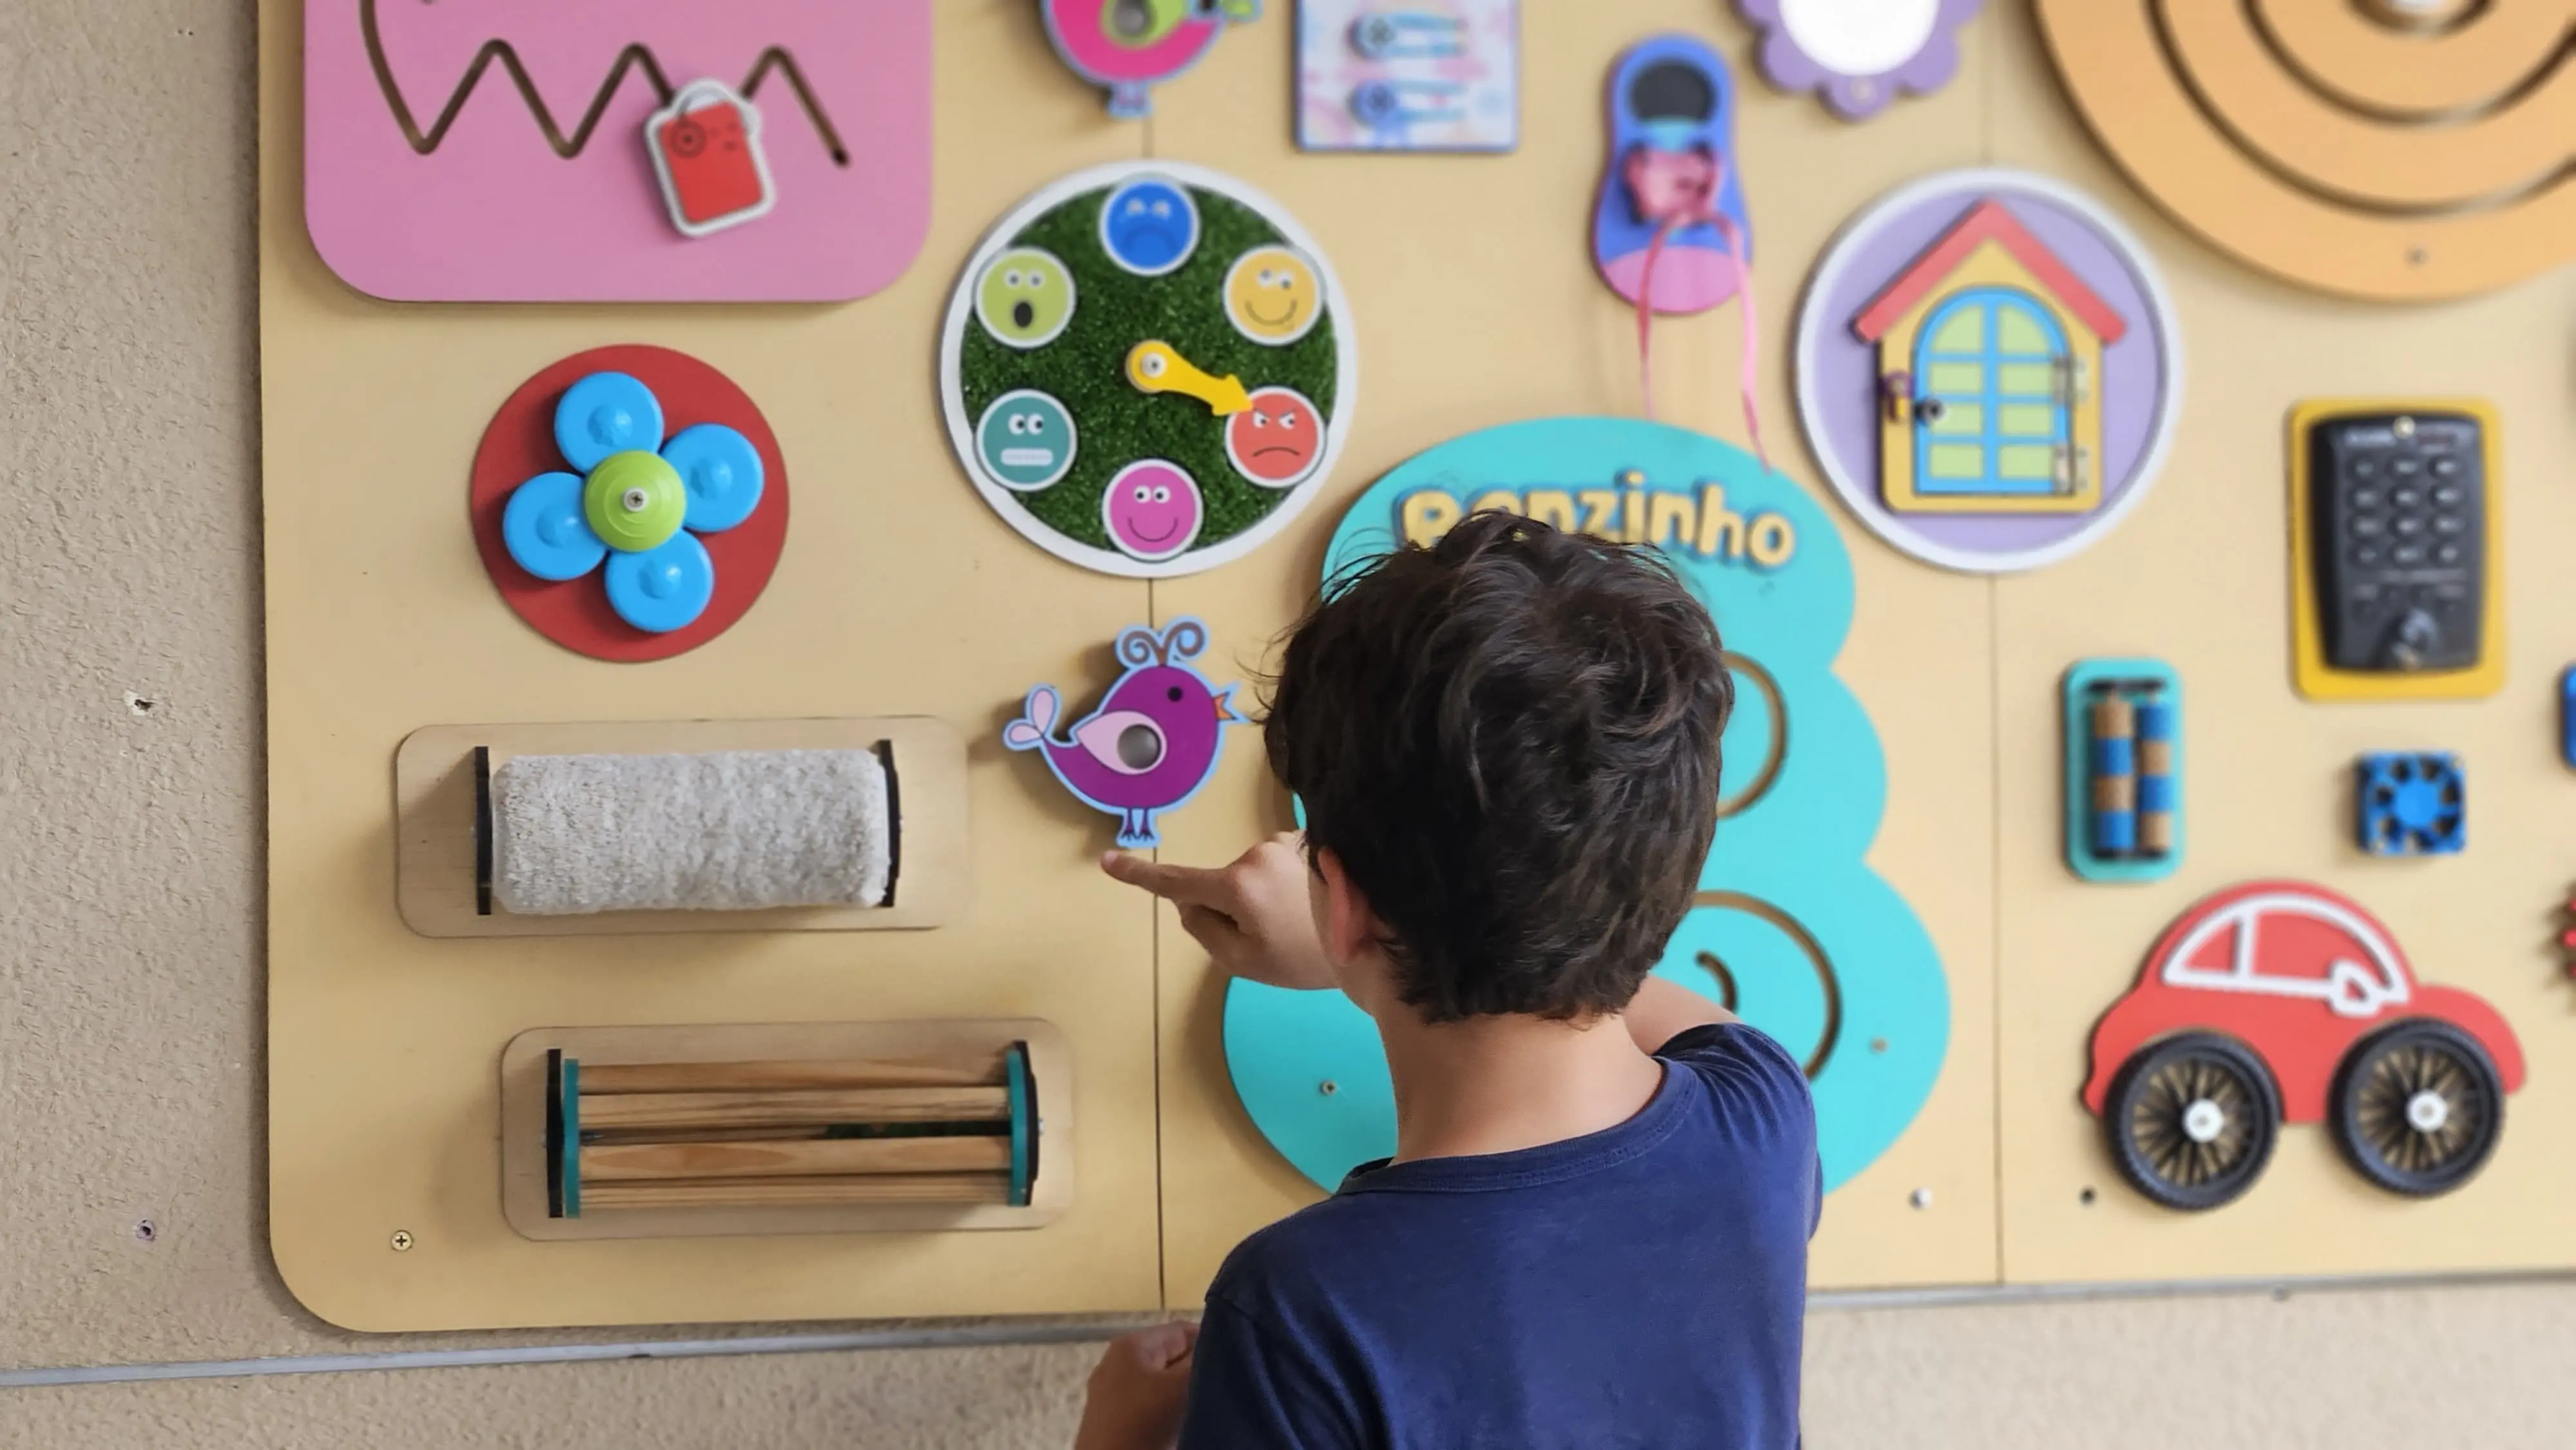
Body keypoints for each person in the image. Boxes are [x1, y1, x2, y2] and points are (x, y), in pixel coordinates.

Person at [1071, 511, 1820, 1450]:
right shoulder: (1760, 1128)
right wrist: (1363, 930)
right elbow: (1625, 967)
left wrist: (1119, 1438)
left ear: (1338, 902)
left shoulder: (1301, 1305)